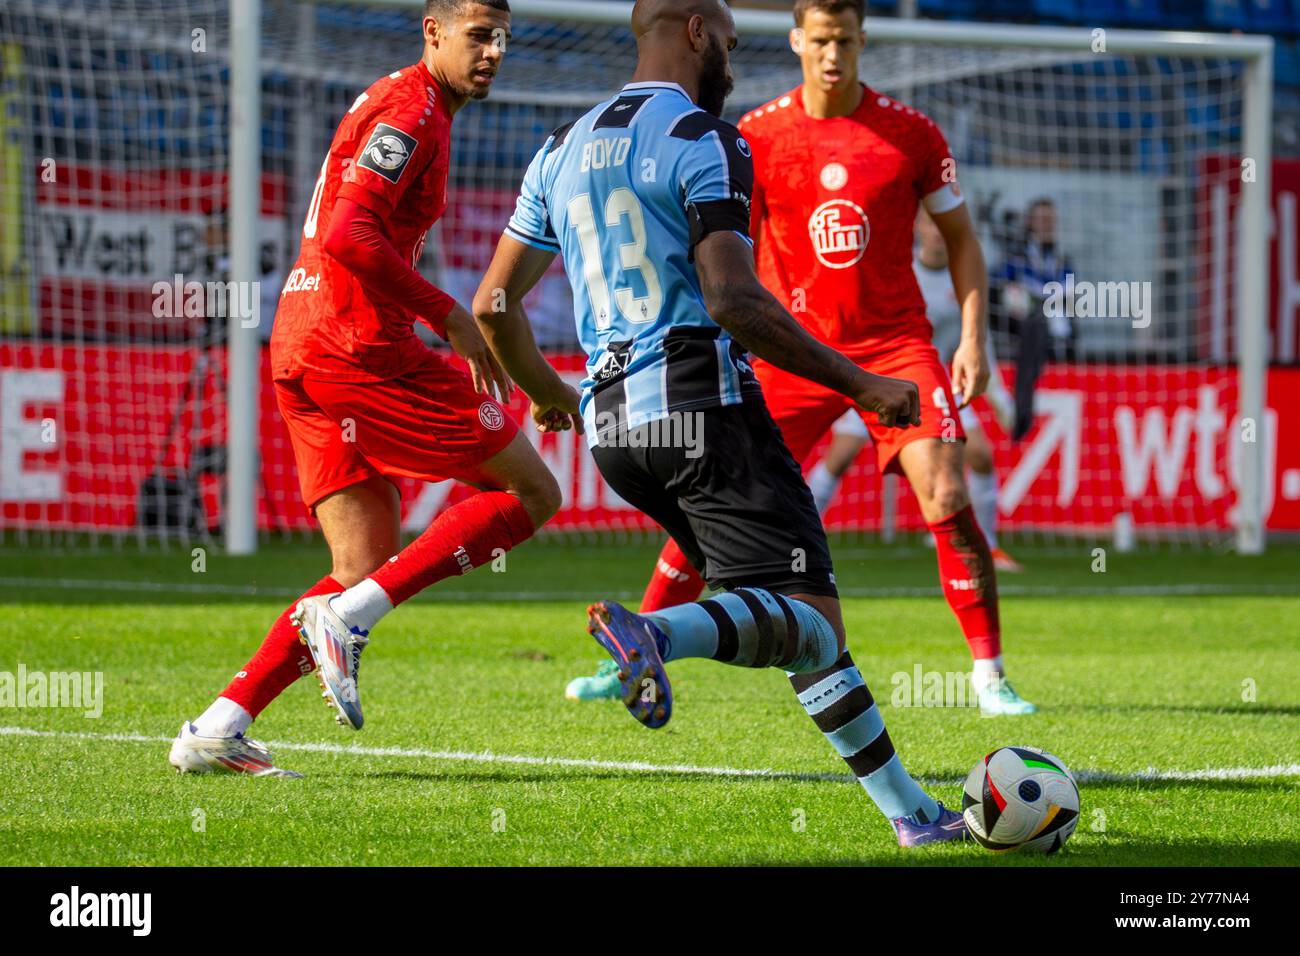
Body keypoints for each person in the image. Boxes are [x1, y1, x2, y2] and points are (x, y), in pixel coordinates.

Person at [476, 0, 966, 846]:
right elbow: (732, 298)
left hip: (615, 432)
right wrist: (862, 384)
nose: (734, 62)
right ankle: (652, 631)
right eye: (732, 43)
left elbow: (491, 304)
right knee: (812, 623)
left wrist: (548, 394)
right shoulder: (707, 138)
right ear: (697, 31)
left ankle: (913, 816)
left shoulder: (557, 151)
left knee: (793, 623)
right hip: (705, 408)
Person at [574, 0, 1035, 716]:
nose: (832, 54)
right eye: (819, 40)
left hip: (895, 344)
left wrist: (974, 336)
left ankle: (989, 676)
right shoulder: (755, 134)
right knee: (702, 508)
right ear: (797, 40)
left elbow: (963, 242)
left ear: (860, 41)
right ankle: (640, 646)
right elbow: (724, 258)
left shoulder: (911, 134)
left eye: (845, 40)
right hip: (795, 351)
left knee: (945, 492)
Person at [168, 0, 582, 778]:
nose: (492, 52)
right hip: (355, 347)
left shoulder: (407, 103)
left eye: (502, 38)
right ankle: (349, 622)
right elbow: (347, 233)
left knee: (361, 564)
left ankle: (217, 727)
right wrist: (451, 317)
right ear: (433, 32)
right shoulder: (413, 109)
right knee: (532, 491)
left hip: (301, 343)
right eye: (476, 37)